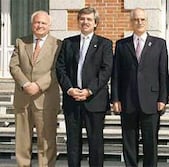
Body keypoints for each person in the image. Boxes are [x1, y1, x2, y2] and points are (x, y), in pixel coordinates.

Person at [55, 7, 113, 167]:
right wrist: (69, 89)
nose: (85, 22)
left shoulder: (105, 44)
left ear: (95, 23)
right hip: (72, 100)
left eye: (89, 19)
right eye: (82, 19)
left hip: (94, 101)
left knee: (95, 144)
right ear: (78, 21)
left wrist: (89, 91)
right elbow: (60, 68)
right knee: (73, 144)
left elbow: (106, 70)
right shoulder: (68, 43)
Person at [111, 8, 168, 167]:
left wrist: (163, 98)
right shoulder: (122, 45)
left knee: (151, 143)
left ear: (147, 21)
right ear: (131, 22)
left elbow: (163, 73)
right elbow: (116, 74)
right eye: (136, 19)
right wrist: (115, 98)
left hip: (151, 101)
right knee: (129, 141)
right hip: (127, 100)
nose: (139, 22)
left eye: (142, 19)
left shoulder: (159, 44)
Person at [9, 10, 61, 167]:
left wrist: (38, 85)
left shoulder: (58, 45)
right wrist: (25, 84)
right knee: (22, 141)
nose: (40, 25)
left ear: (49, 26)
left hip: (46, 100)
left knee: (46, 141)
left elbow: (57, 70)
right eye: (37, 22)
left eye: (43, 23)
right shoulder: (21, 42)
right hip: (23, 99)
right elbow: (14, 66)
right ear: (32, 24)